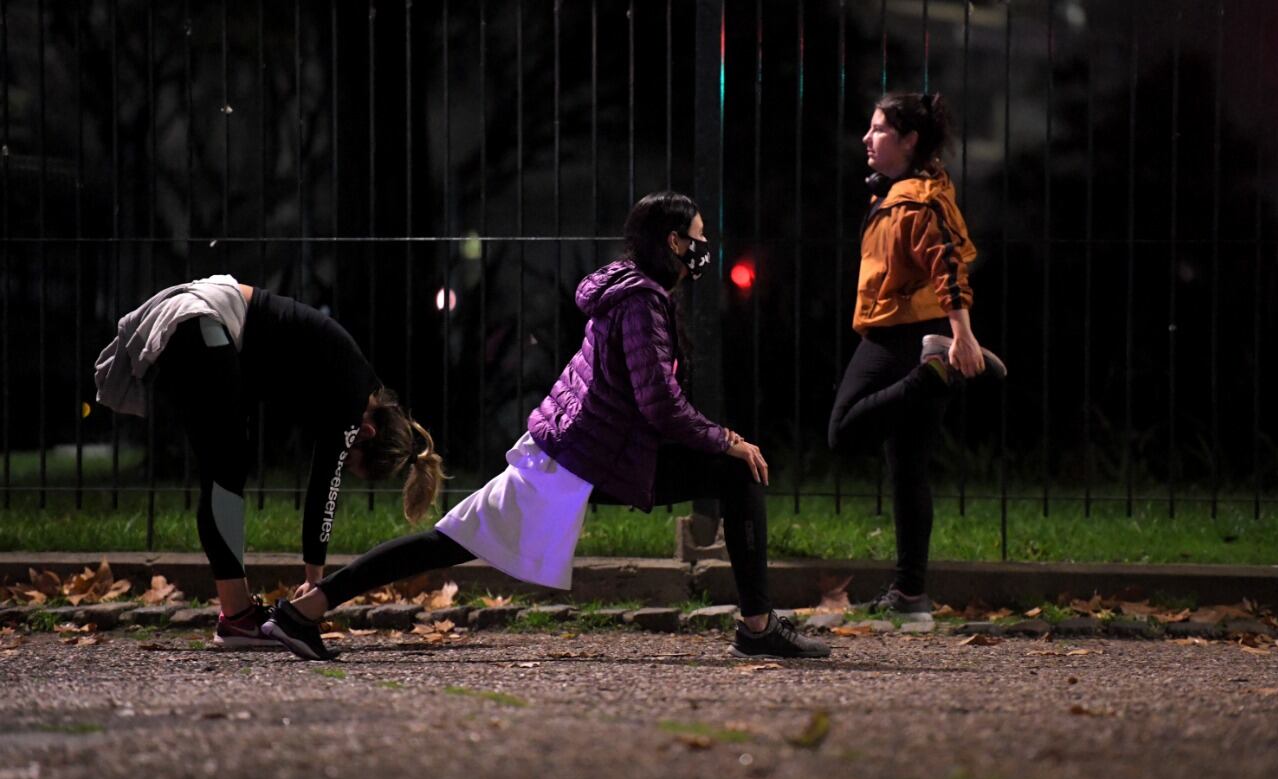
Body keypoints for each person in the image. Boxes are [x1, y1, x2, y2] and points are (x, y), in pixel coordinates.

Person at [263, 192, 830, 661]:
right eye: (697, 238)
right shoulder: (640, 302)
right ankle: (303, 611)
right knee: (448, 542)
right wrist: (725, 438)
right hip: (579, 455)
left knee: (449, 542)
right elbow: (659, 401)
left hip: (589, 450)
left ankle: (757, 626)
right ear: (674, 243)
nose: (704, 248)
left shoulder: (634, 291)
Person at [94, 275, 443, 647]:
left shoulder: (350, 382)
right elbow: (325, 487)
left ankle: (237, 615)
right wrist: (315, 581)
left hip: (203, 323)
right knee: (225, 469)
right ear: (367, 435)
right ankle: (237, 618)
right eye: (351, 460)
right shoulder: (353, 401)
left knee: (225, 467)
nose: (343, 461)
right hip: (202, 320)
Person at [827, 92, 1006, 621]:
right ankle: (911, 597)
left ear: (909, 141)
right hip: (923, 336)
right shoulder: (908, 193)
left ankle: (931, 377)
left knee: (844, 432)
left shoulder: (914, 202)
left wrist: (963, 337)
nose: (867, 138)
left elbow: (948, 266)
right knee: (908, 468)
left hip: (900, 336)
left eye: (879, 129)